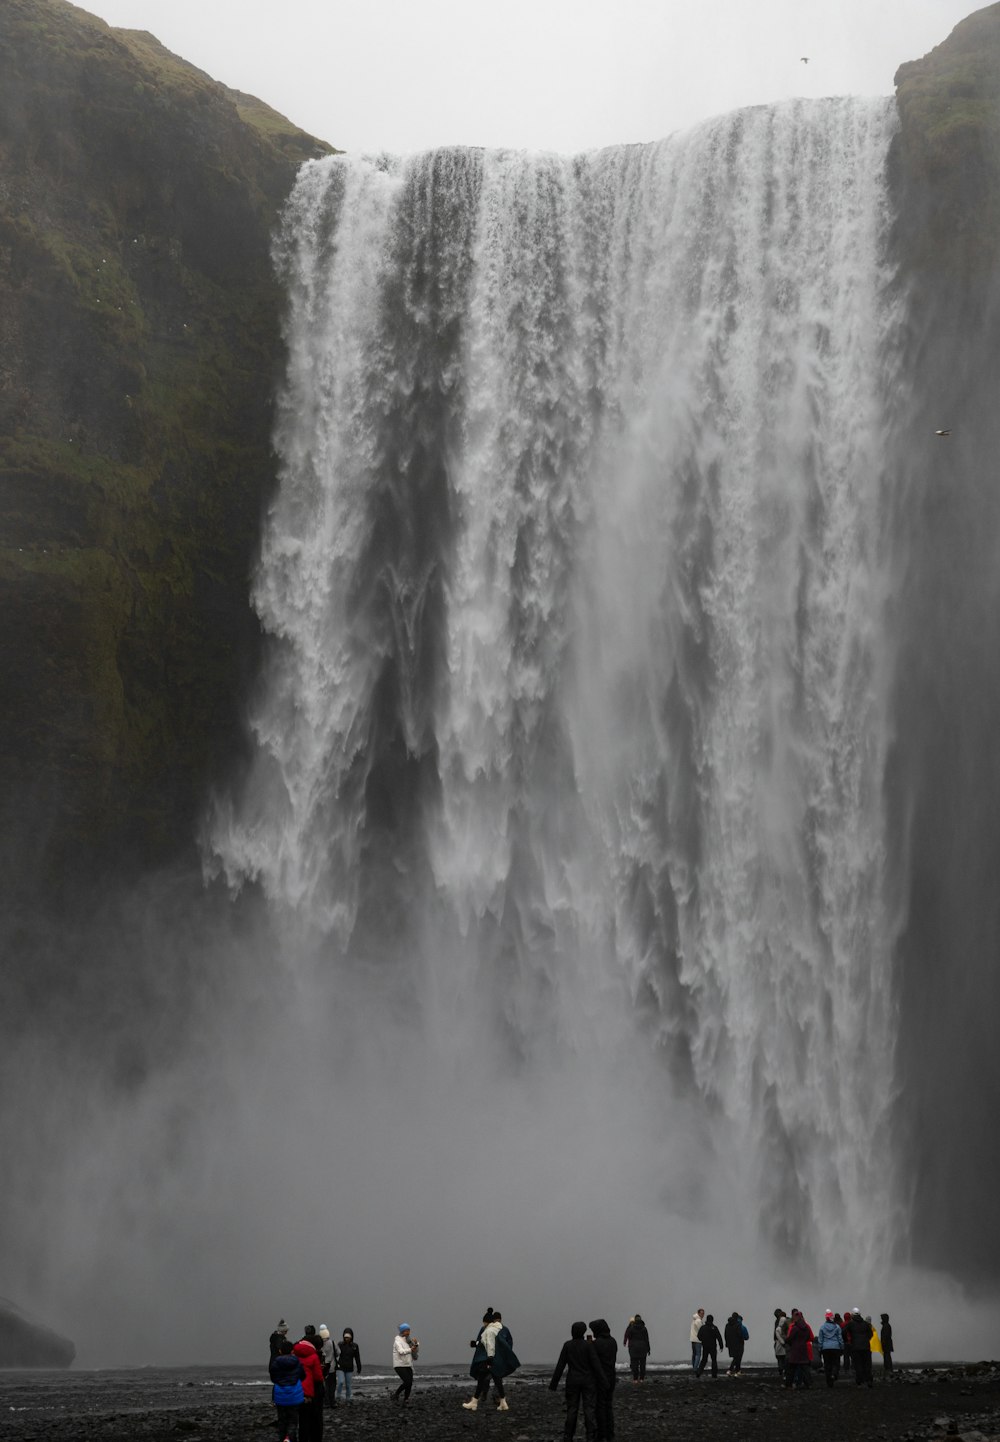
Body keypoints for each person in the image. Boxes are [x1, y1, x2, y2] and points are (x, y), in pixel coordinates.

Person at [549, 1320, 607, 1442]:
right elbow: (596, 1364)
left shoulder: (567, 1345)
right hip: (588, 1381)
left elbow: (560, 1365)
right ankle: (590, 1436)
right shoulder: (588, 1345)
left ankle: (568, 1436)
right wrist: (604, 1381)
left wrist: (553, 1384)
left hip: (572, 1381)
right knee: (589, 1409)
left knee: (572, 1409)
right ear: (583, 1332)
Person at [463, 1308, 520, 1412]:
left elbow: (489, 1345)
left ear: (486, 1321)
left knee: (482, 1379)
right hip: (495, 1360)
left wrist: (489, 1358)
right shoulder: (497, 1329)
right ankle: (503, 1403)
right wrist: (474, 1344)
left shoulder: (489, 1330)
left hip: (489, 1359)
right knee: (496, 1380)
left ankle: (475, 1402)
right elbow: (482, 1342)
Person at [270, 1337, 306, 1442]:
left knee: (282, 1420)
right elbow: (303, 1376)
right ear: (292, 1351)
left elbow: (273, 1378)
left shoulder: (276, 1363)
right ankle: (290, 1438)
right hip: (294, 1395)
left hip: (280, 1395)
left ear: (280, 1351)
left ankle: (283, 1438)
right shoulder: (297, 1362)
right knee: (293, 1421)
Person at [588, 1319, 618, 1442]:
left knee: (600, 1407)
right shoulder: (613, 1341)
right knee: (608, 1405)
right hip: (611, 1377)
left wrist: (590, 1345)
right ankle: (610, 1433)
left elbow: (592, 1361)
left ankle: (602, 1434)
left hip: (600, 1379)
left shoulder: (596, 1344)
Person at [292, 1333, 325, 1442]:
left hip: (296, 1390)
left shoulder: (294, 1353)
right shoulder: (314, 1356)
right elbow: (318, 1377)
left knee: (302, 1421)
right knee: (313, 1418)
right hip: (309, 1392)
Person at [784, 1309, 814, 1389]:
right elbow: (810, 1337)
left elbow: (789, 1339)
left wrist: (787, 1341)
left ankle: (789, 1385)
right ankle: (809, 1384)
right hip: (803, 1349)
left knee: (792, 1368)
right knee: (805, 1368)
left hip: (795, 1349)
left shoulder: (795, 1328)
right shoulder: (806, 1327)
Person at [390, 1323, 417, 1402]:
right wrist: (410, 1349)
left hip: (408, 1364)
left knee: (410, 1383)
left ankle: (406, 1399)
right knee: (407, 1382)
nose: (408, 1332)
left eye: (409, 1330)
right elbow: (401, 1352)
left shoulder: (408, 1340)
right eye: (406, 1330)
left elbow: (415, 1350)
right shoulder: (397, 1341)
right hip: (399, 1365)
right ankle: (396, 1394)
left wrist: (415, 1345)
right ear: (402, 1331)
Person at [817, 1309, 844, 1387]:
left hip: (825, 1348)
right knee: (836, 1363)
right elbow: (840, 1338)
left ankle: (829, 1381)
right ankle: (834, 1374)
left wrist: (820, 1348)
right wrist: (842, 1347)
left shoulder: (822, 1327)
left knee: (827, 1364)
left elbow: (820, 1339)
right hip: (836, 1347)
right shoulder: (837, 1327)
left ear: (826, 1318)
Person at [334, 1328, 362, 1401]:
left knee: (348, 1385)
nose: (346, 1339)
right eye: (345, 1337)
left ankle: (348, 1398)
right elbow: (335, 1355)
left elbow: (357, 1357)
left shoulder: (355, 1346)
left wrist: (359, 1368)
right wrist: (335, 1364)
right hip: (340, 1367)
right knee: (340, 1382)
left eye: (348, 1337)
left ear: (351, 1337)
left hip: (349, 1368)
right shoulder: (340, 1344)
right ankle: (338, 1397)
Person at [623, 1313, 650, 1382]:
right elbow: (646, 1339)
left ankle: (635, 1379)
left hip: (633, 1348)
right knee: (642, 1364)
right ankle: (641, 1379)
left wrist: (625, 1342)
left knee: (634, 1364)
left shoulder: (631, 1328)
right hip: (643, 1348)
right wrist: (648, 1349)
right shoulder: (644, 1329)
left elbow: (627, 1335)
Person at [849, 1309, 873, 1388]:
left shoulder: (851, 1324)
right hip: (866, 1347)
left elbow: (843, 1332)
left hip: (856, 1347)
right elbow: (871, 1334)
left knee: (858, 1365)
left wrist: (849, 1341)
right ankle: (868, 1380)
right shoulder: (866, 1324)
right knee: (867, 1365)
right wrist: (866, 1339)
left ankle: (860, 1382)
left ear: (853, 1315)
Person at [695, 1314, 723, 1378]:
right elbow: (719, 1337)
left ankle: (699, 1372)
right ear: (712, 1320)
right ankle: (714, 1374)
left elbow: (699, 1336)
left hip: (705, 1346)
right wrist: (721, 1346)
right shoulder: (714, 1328)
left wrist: (703, 1340)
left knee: (704, 1359)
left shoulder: (703, 1328)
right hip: (712, 1346)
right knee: (714, 1360)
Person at [317, 1325, 334, 1406]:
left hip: (323, 1365)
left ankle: (326, 1400)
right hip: (331, 1365)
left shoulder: (319, 1343)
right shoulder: (331, 1342)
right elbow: (338, 1353)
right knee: (330, 1384)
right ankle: (331, 1400)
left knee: (324, 1383)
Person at [773, 1309, 788, 1380]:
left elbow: (777, 1336)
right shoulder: (787, 1324)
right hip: (784, 1345)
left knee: (780, 1359)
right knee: (784, 1359)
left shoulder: (778, 1326)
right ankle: (784, 1371)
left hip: (779, 1344)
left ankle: (781, 1371)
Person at [690, 1308, 705, 1372]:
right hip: (697, 1340)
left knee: (694, 1354)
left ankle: (694, 1366)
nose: (703, 1315)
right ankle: (695, 1368)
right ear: (698, 1313)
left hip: (693, 1339)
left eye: (703, 1313)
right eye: (701, 1313)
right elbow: (701, 1330)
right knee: (698, 1354)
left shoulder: (694, 1320)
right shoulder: (698, 1321)